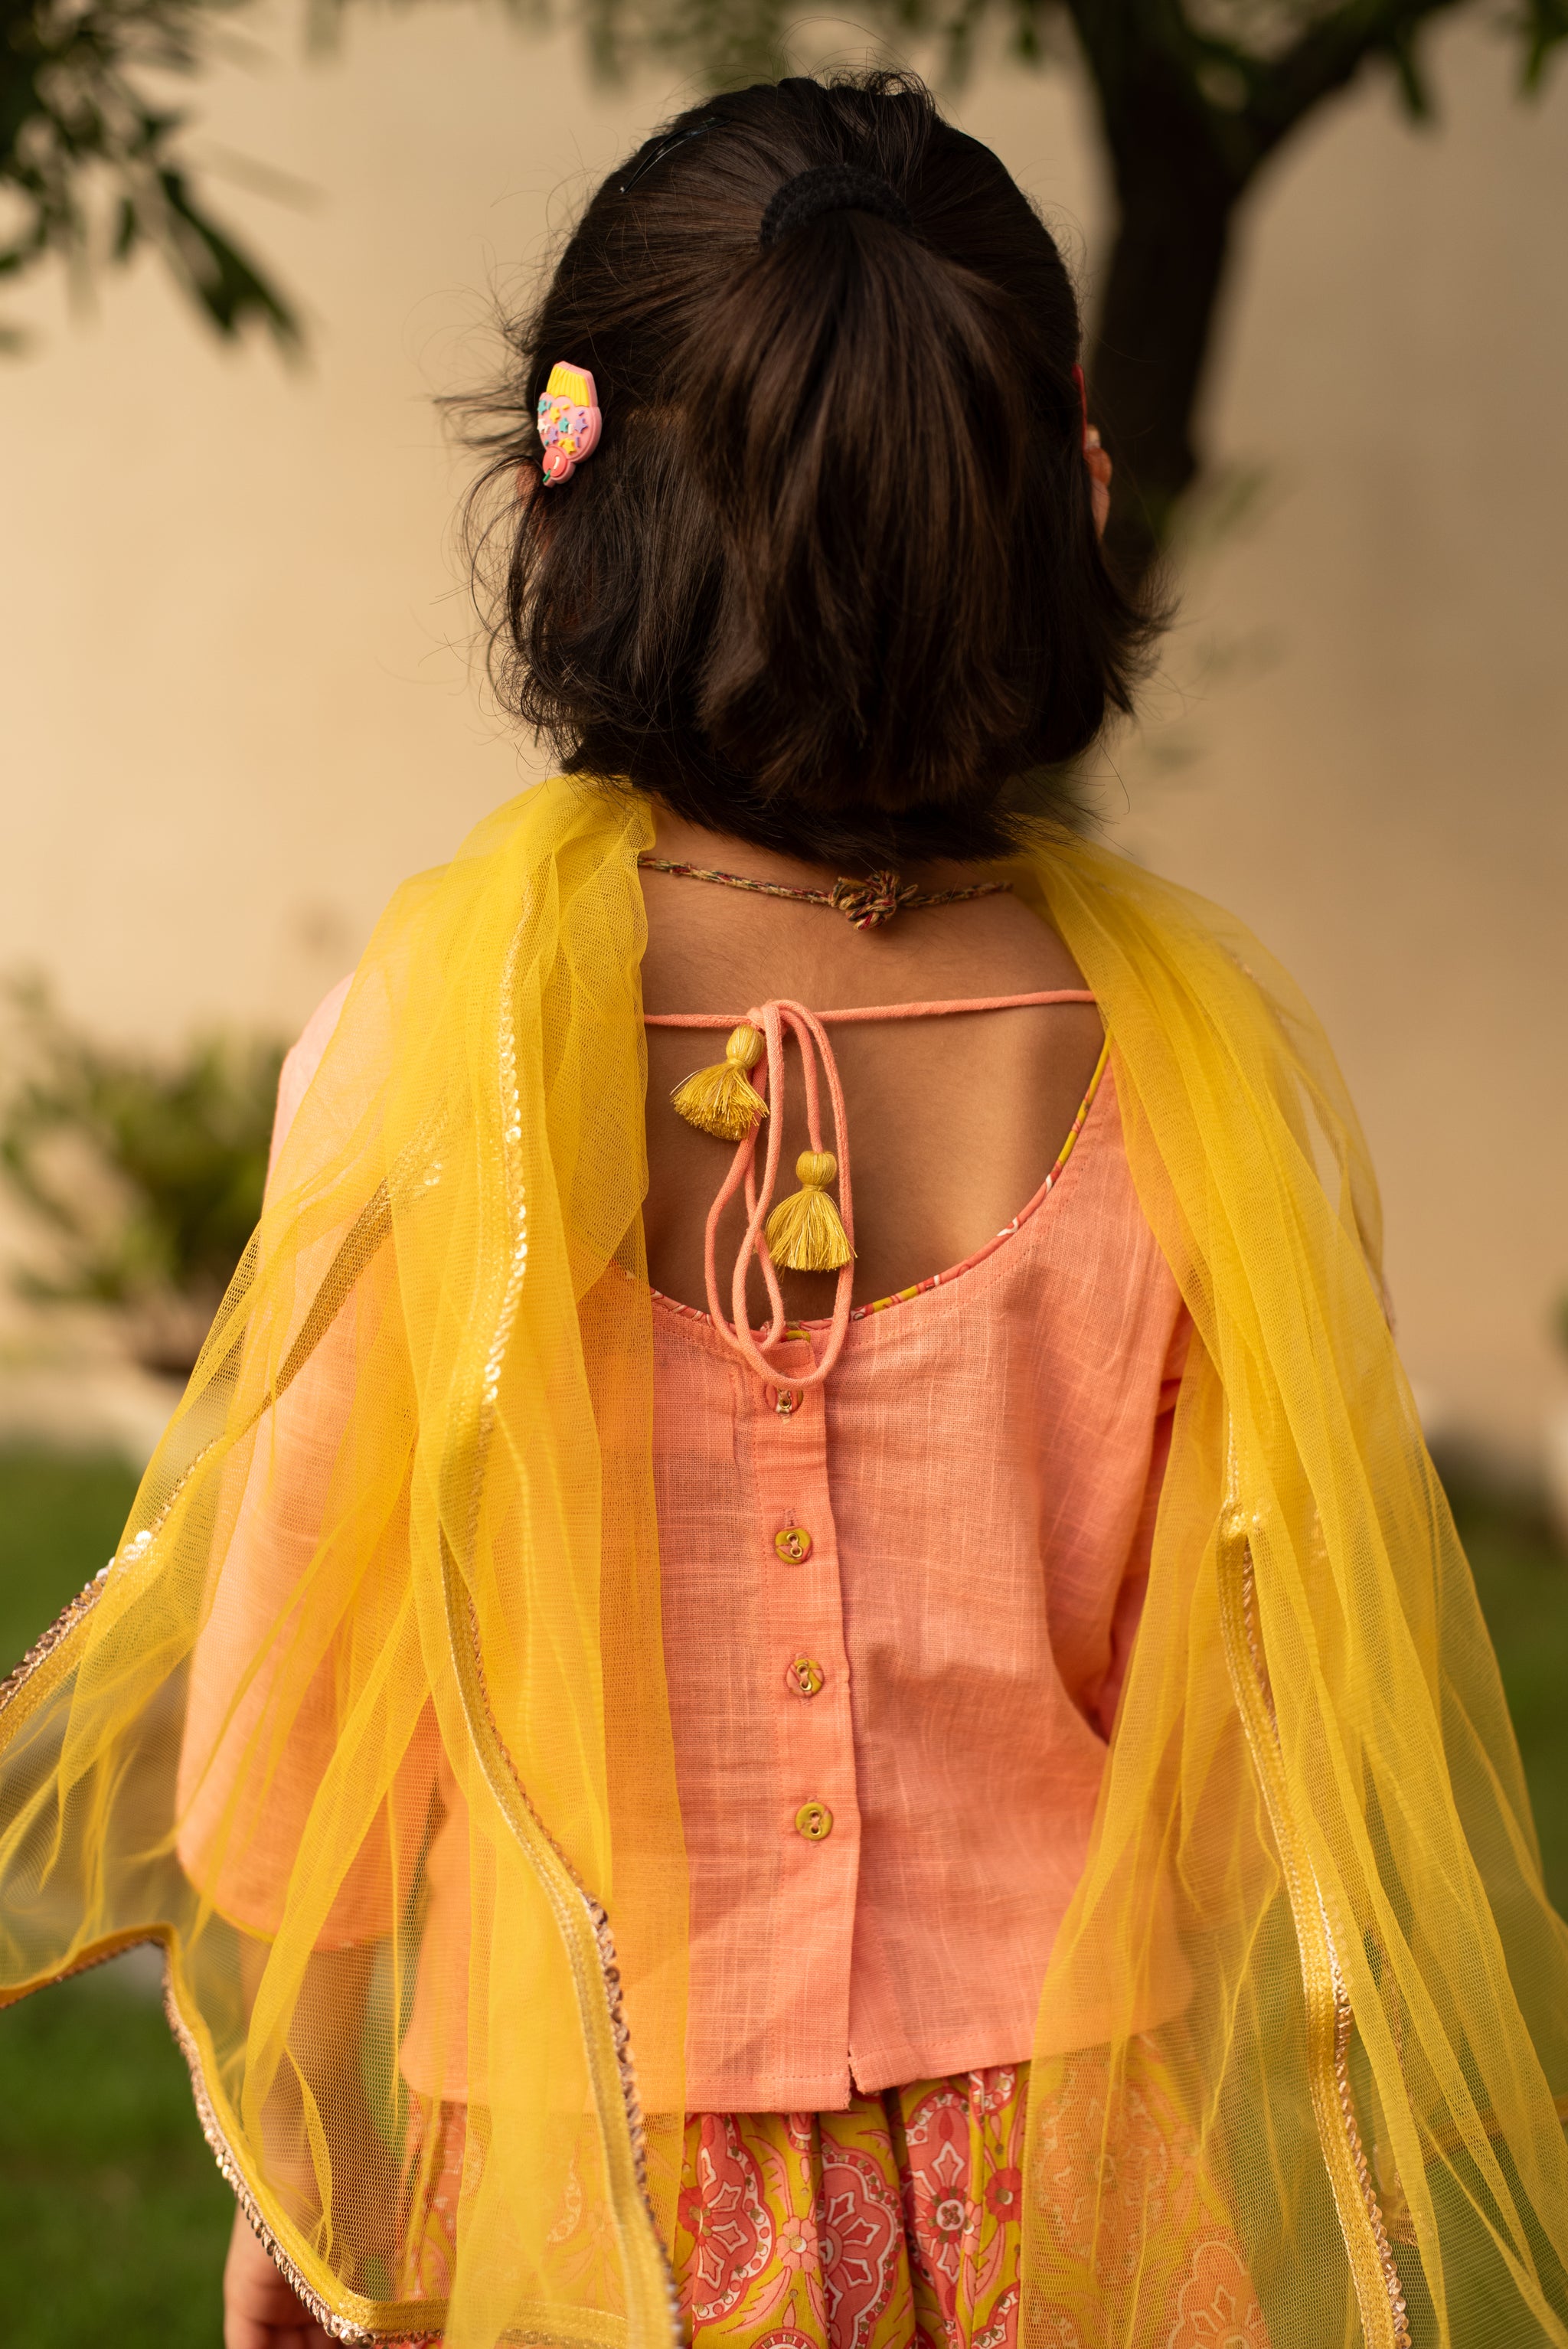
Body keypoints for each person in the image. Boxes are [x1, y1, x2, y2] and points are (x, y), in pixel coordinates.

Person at [3, 68, 1566, 2349]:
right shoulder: (1171, 1060)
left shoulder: (447, 1042)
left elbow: (302, 1688)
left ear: (576, 506)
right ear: (1070, 510)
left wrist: (308, 2128)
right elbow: (1227, 1761)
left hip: (584, 2161)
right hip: (1071, 2172)